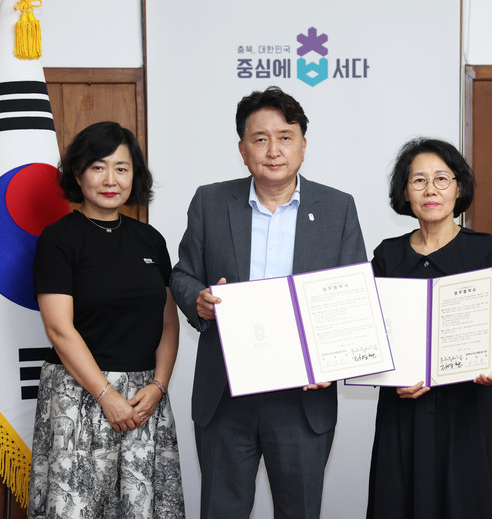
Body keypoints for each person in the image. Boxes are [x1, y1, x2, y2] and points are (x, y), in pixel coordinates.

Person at [170, 86, 366, 519]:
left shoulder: (337, 208)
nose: (273, 150)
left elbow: (354, 298)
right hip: (225, 396)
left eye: (285, 137)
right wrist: (198, 301)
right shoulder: (210, 201)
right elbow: (182, 274)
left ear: (303, 145)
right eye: (260, 139)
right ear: (243, 149)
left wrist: (332, 363)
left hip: (302, 400)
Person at [28, 121, 184, 518]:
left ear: (135, 175)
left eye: (121, 168)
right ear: (78, 174)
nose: (110, 179)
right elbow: (59, 329)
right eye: (98, 167)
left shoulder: (151, 240)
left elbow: (168, 323)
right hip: (80, 394)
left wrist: (159, 386)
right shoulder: (59, 239)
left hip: (143, 400)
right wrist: (106, 395)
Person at [366, 138, 492, 518]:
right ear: (405, 192)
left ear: (459, 188)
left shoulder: (485, 250)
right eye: (418, 180)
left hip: (469, 409)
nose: (430, 190)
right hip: (405, 408)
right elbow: (372, 331)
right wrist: (389, 377)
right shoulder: (387, 255)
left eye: (441, 178)